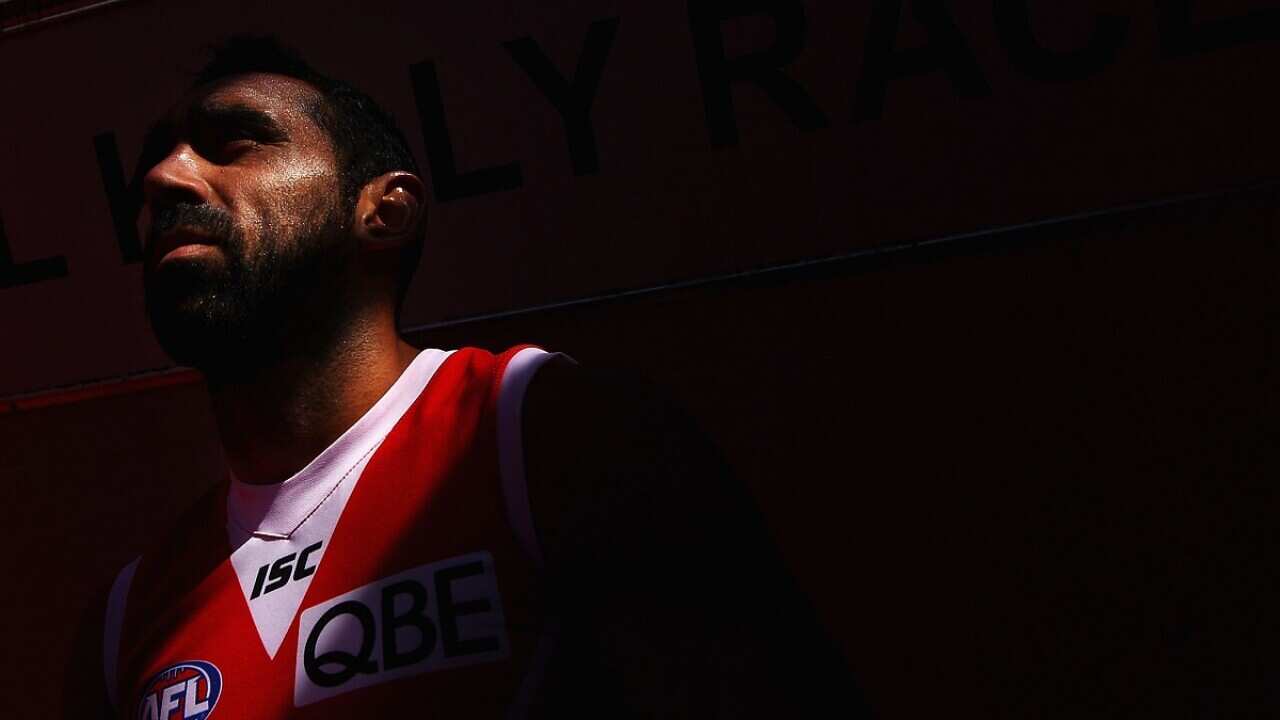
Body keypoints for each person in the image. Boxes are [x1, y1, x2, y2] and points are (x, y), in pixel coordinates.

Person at [64, 35, 862, 718]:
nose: (165, 178)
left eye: (233, 142)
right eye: (157, 160)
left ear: (386, 210)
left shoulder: (546, 437)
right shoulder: (128, 619)